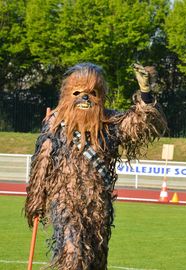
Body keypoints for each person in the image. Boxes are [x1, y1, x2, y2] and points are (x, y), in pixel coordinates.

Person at [25, 62, 167, 270]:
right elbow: (43, 162)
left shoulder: (109, 124)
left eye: (92, 92)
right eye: (77, 92)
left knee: (95, 261)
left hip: (98, 207)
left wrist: (145, 92)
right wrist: (37, 198)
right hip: (66, 204)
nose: (85, 98)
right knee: (73, 256)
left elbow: (140, 123)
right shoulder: (56, 125)